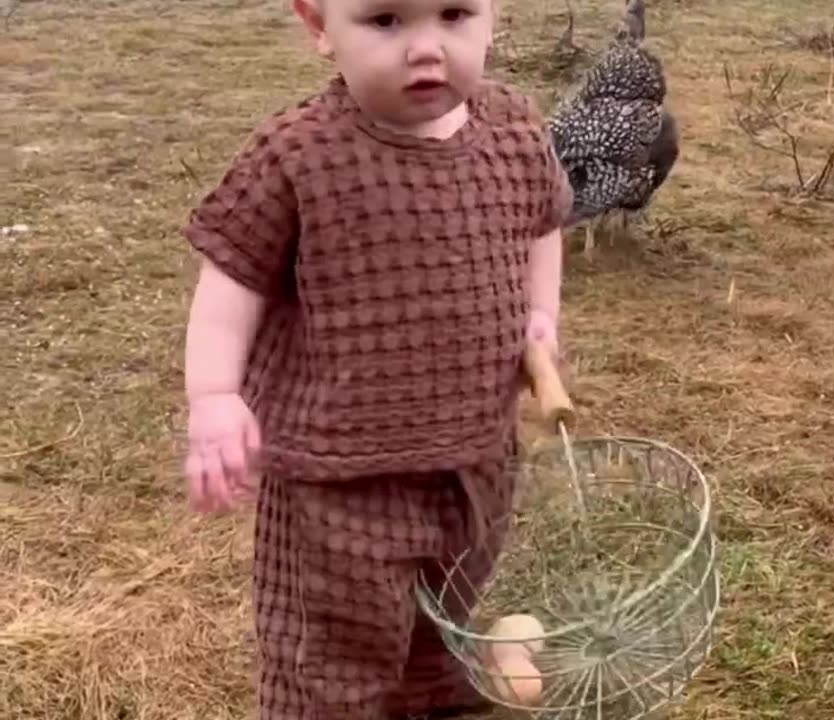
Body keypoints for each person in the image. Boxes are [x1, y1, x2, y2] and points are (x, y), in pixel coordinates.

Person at [179, 0, 573, 717]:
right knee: (336, 648)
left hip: (473, 460)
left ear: (495, 13)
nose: (426, 49)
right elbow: (231, 274)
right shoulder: (299, 153)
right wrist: (213, 395)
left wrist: (539, 310)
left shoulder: (514, 129)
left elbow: (544, 218)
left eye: (454, 14)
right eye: (386, 21)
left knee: (446, 609)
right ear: (319, 25)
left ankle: (431, 691)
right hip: (341, 480)